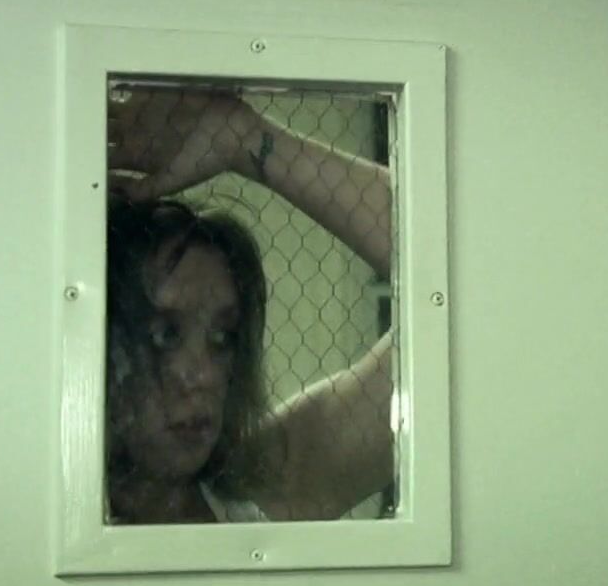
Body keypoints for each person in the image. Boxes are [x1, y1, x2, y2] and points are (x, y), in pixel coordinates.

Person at [103, 86, 393, 524]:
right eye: (165, 335)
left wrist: (242, 138)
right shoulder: (32, 520)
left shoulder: (271, 485)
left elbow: (474, 283)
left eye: (223, 337)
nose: (202, 376)